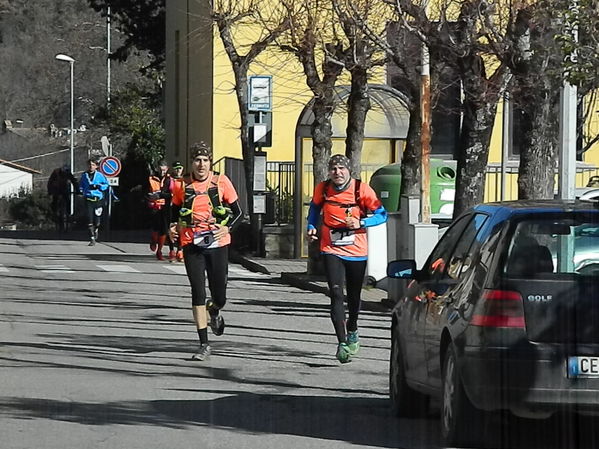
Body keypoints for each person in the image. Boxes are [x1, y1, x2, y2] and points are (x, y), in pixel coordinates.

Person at [307, 154, 387, 364]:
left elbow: (382, 214)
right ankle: (342, 343)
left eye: (341, 168)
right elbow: (315, 208)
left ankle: (352, 327)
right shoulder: (323, 188)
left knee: (353, 296)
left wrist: (361, 223)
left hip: (356, 249)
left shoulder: (362, 189)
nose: (337, 173)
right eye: (334, 169)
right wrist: (311, 226)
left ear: (349, 170)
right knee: (335, 292)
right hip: (330, 246)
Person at [170, 142, 243, 361]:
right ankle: (203, 344)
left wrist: (226, 227)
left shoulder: (221, 181)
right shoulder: (181, 185)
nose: (201, 164)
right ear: (190, 163)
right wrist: (172, 228)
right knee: (198, 292)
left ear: (210, 162)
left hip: (217, 244)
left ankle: (215, 309)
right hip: (191, 243)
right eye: (197, 160)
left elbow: (239, 213)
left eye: (205, 160)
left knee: (219, 295)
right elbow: (173, 213)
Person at [146, 159, 174, 260]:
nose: (162, 171)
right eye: (160, 169)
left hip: (165, 207)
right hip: (154, 207)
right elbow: (145, 191)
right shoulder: (151, 178)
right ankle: (153, 241)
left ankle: (159, 251)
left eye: (164, 170)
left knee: (164, 230)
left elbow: (172, 194)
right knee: (155, 228)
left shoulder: (169, 180)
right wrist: (149, 197)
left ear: (167, 169)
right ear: (158, 168)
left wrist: (161, 195)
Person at [79, 158, 109, 246]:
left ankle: (96, 229)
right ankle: (92, 238)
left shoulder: (100, 175)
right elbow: (81, 185)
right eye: (89, 165)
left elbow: (106, 185)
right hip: (88, 199)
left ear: (96, 166)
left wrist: (99, 186)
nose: (90, 167)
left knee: (97, 221)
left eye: (92, 165)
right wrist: (81, 190)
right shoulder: (84, 175)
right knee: (89, 219)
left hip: (98, 200)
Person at [47, 164, 78, 232]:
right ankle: (55, 214)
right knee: (55, 204)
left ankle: (68, 214)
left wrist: (78, 190)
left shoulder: (68, 173)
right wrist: (50, 191)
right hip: (56, 191)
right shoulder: (56, 172)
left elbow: (74, 181)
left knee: (68, 202)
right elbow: (50, 182)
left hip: (64, 190)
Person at [170, 160, 185, 262]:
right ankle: (171, 251)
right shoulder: (169, 180)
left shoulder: (184, 181)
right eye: (176, 169)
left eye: (180, 168)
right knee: (171, 228)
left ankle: (180, 250)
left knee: (181, 228)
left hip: (180, 206)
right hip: (168, 206)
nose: (178, 170)